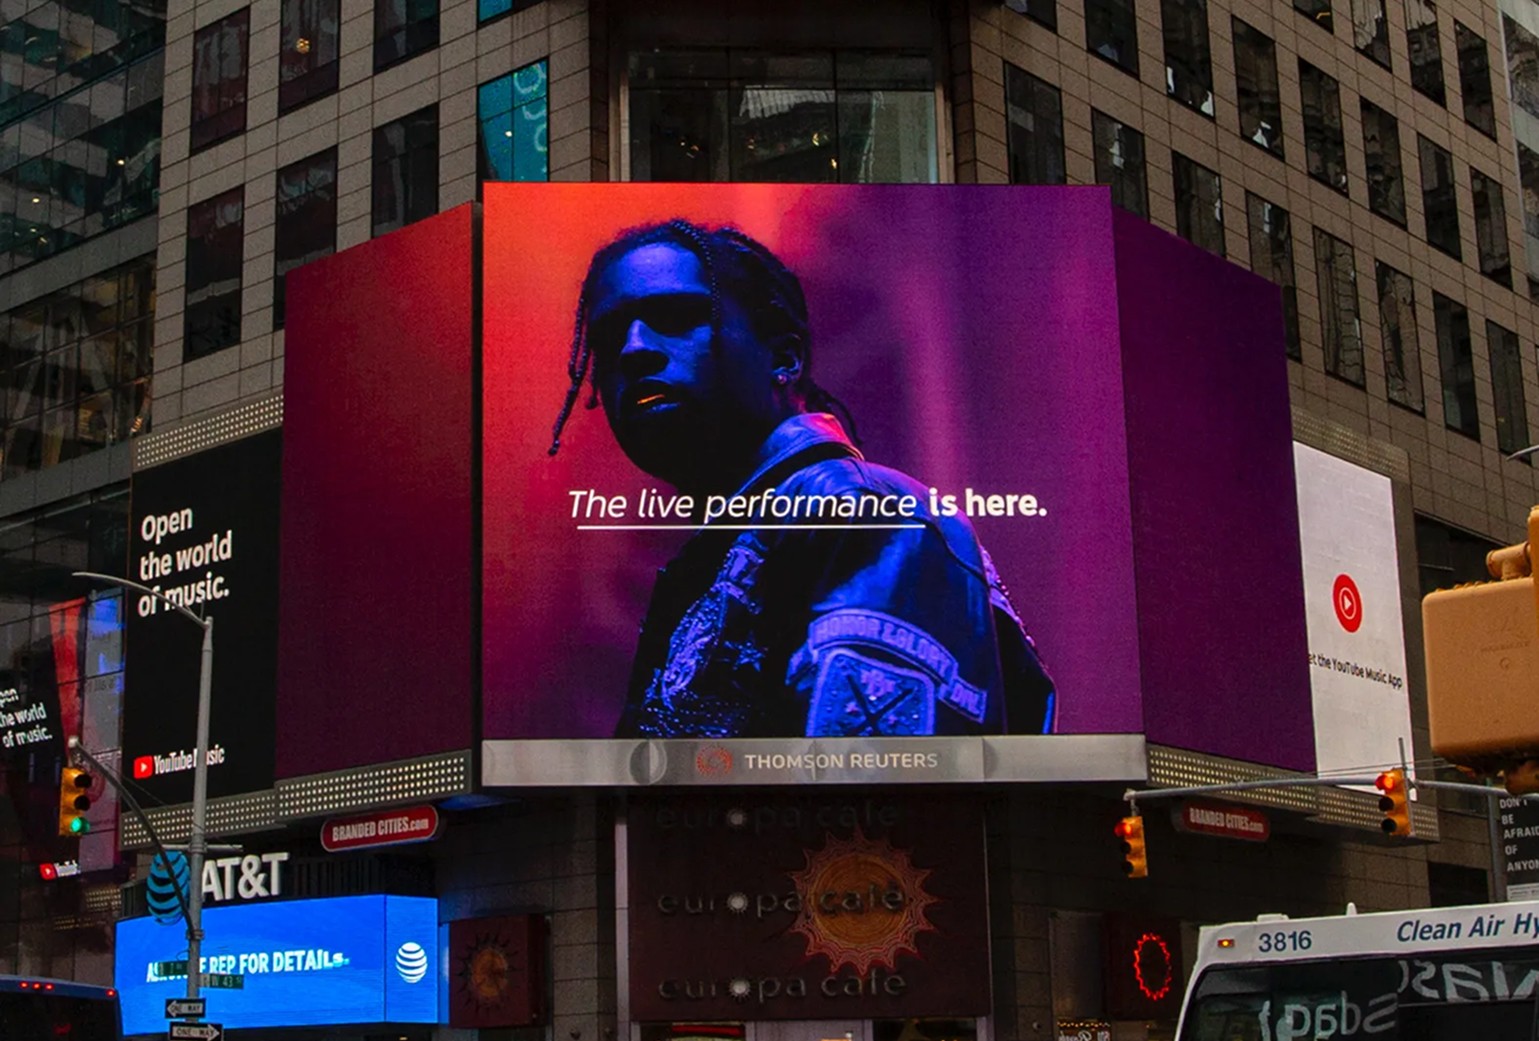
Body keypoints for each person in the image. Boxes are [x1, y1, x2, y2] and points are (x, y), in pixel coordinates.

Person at [549, 219, 1056, 739]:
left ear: (784, 358)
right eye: (609, 339)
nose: (634, 350)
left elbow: (869, 791)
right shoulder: (718, 555)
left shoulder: (858, 509)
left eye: (677, 317)